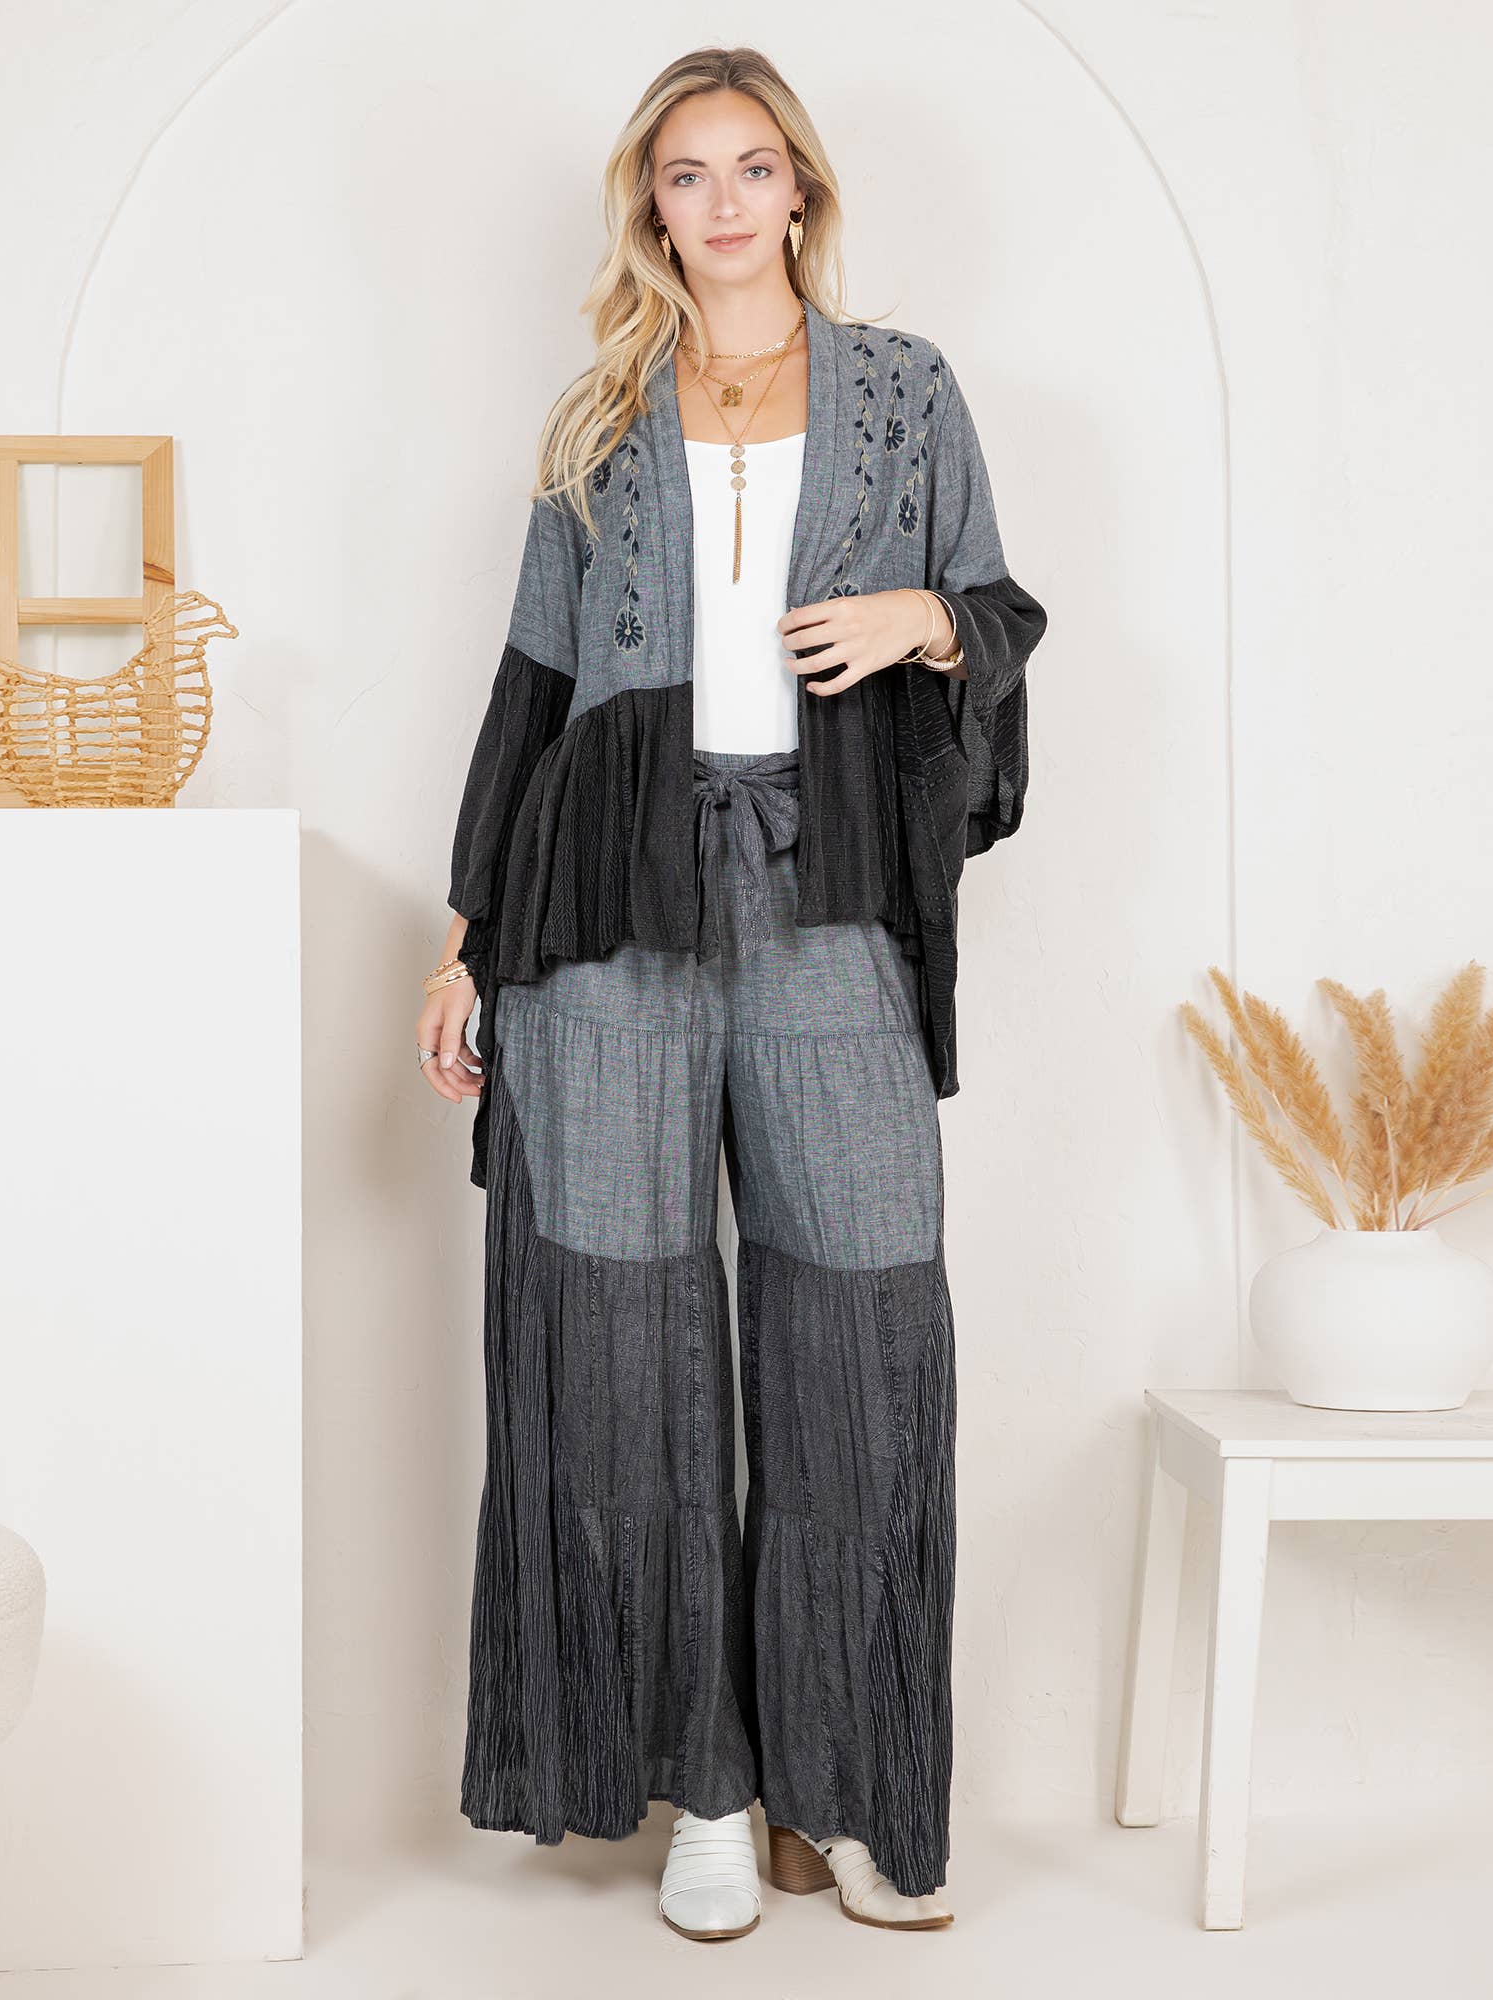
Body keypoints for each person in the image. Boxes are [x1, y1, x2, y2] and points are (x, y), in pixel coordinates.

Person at [417, 44, 1048, 1942]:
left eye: (751, 167)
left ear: (801, 191)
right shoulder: (598, 413)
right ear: (652, 205)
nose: (720, 202)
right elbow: (532, 687)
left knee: (860, 1330)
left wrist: (920, 619)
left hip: (826, 887)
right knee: (625, 1348)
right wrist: (464, 939)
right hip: (606, 897)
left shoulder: (905, 389)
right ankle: (706, 1783)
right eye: (684, 174)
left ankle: (841, 1797)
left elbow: (996, 607)